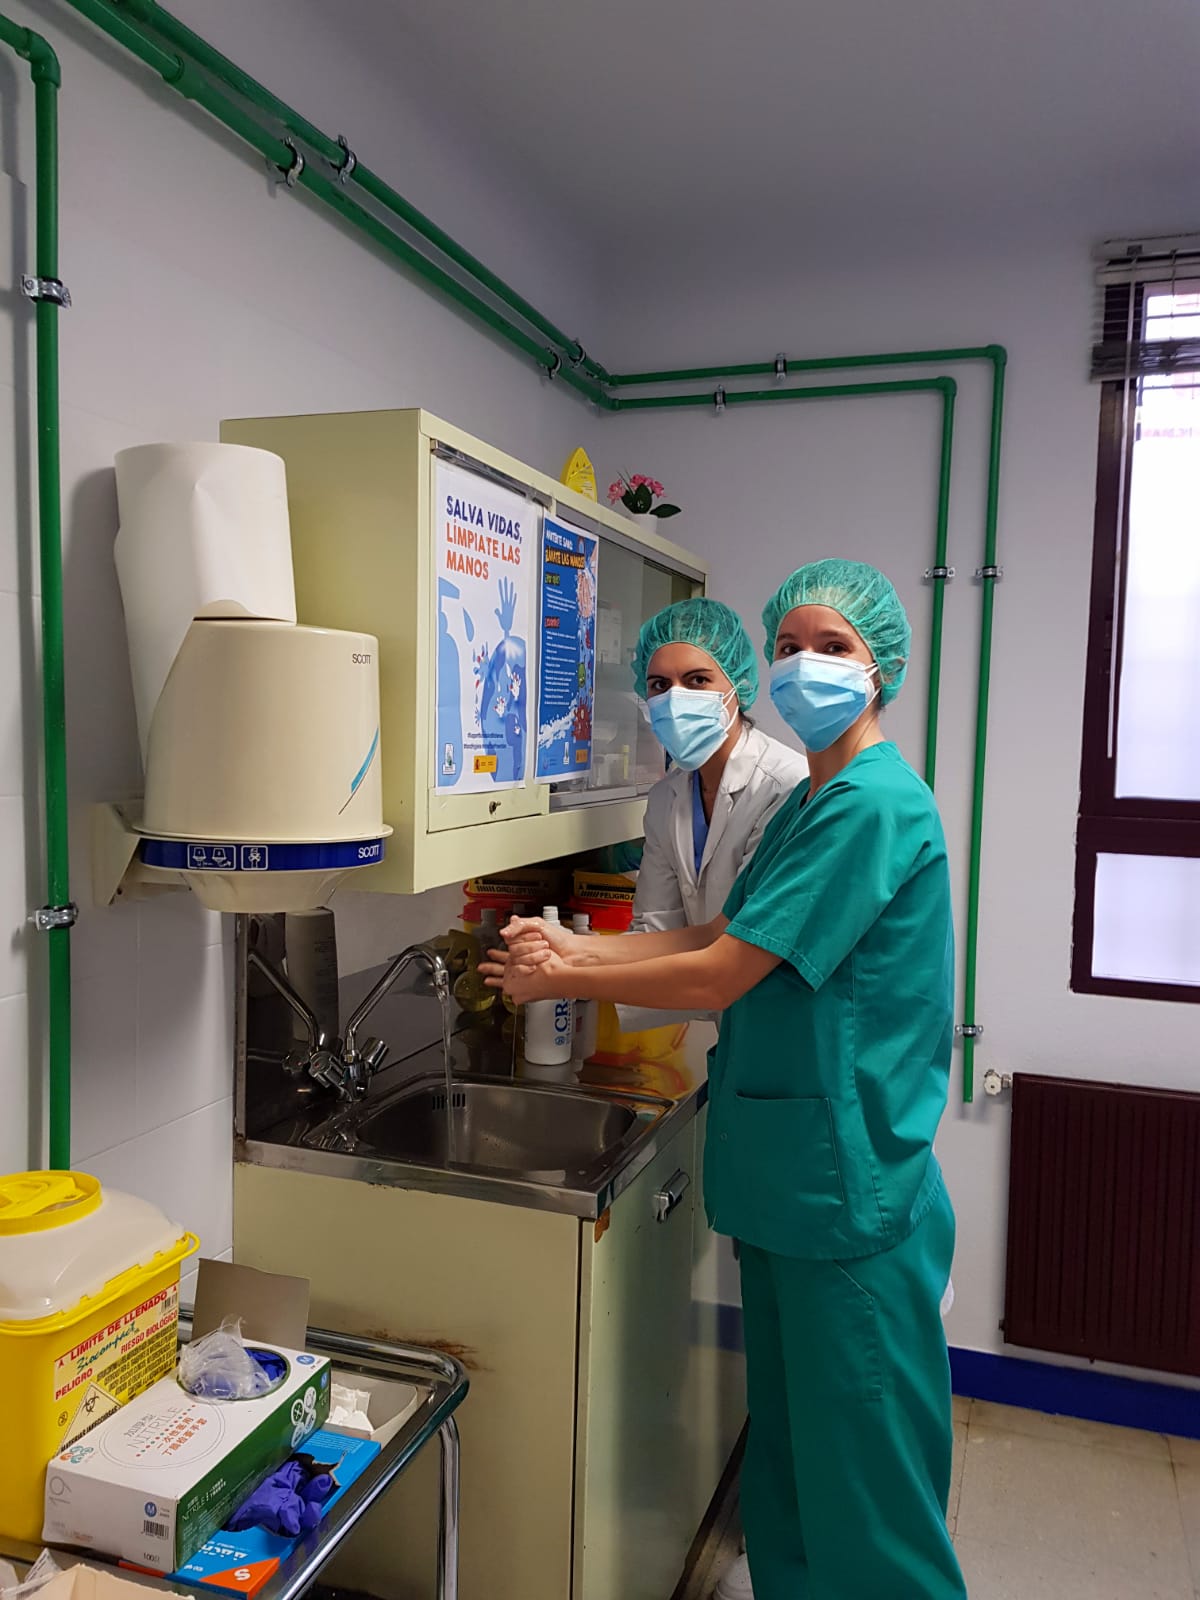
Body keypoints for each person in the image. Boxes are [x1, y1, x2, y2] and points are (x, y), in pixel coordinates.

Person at [483, 559, 966, 1600]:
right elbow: (709, 930)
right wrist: (574, 943)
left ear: (880, 667)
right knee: (789, 1470)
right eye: (789, 645)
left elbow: (722, 973)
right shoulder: (813, 802)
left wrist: (567, 974)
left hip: (848, 1191)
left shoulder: (872, 805)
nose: (803, 665)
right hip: (792, 1184)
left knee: (869, 1499)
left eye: (831, 647)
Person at [621, 597, 808, 1028]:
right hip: (730, 1024)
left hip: (784, 1021)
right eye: (659, 685)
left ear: (736, 686)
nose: (675, 699)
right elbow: (658, 932)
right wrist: (574, 959)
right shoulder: (667, 798)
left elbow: (742, 945)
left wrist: (573, 972)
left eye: (697, 680)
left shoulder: (785, 786)